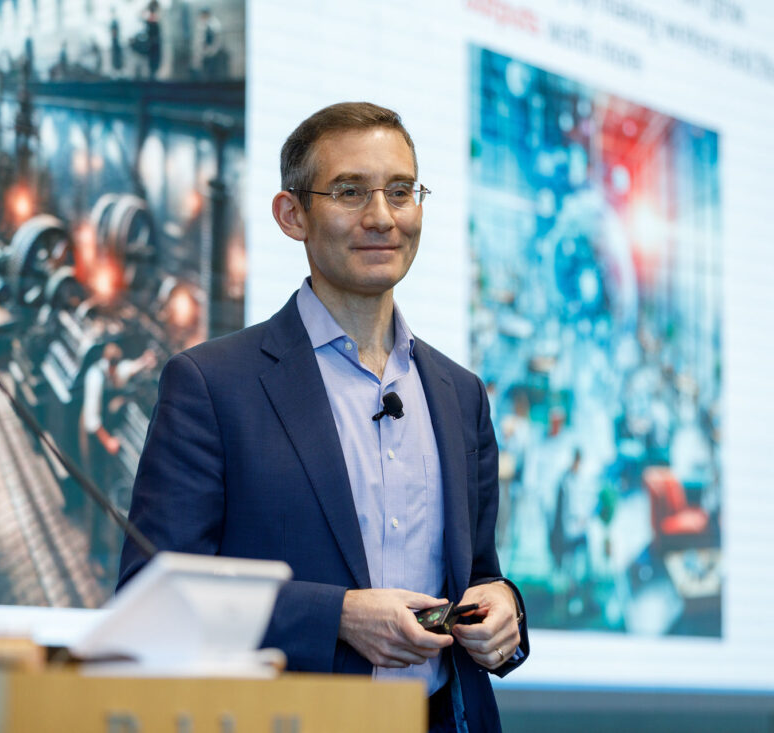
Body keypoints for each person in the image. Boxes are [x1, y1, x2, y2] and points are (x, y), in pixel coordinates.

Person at [119, 102, 529, 732]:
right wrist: (335, 616)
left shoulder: (460, 393)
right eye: (349, 192)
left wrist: (504, 607)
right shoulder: (212, 384)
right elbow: (154, 592)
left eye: (400, 192)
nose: (382, 218)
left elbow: (478, 573)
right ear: (293, 215)